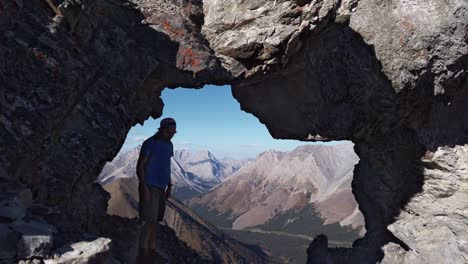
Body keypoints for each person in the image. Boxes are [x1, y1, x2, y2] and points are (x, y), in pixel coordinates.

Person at [136, 118, 177, 263]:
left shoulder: (169, 145)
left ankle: (151, 251)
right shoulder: (150, 143)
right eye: (169, 132)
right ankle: (142, 255)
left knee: (155, 221)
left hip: (161, 187)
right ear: (161, 129)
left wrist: (170, 185)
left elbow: (166, 164)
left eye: (173, 133)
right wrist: (144, 186)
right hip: (149, 185)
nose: (171, 135)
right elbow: (140, 166)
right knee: (148, 220)